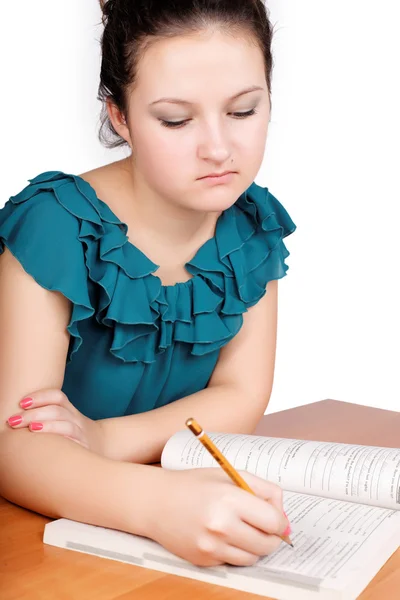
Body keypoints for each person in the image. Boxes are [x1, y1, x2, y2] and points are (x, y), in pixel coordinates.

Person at [0, 0, 296, 567]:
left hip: (171, 534)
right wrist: (160, 505)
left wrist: (102, 439)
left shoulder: (252, 225)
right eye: (176, 120)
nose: (218, 148)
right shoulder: (56, 225)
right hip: (41, 537)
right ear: (119, 115)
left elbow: (242, 395)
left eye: (243, 111)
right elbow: (16, 443)